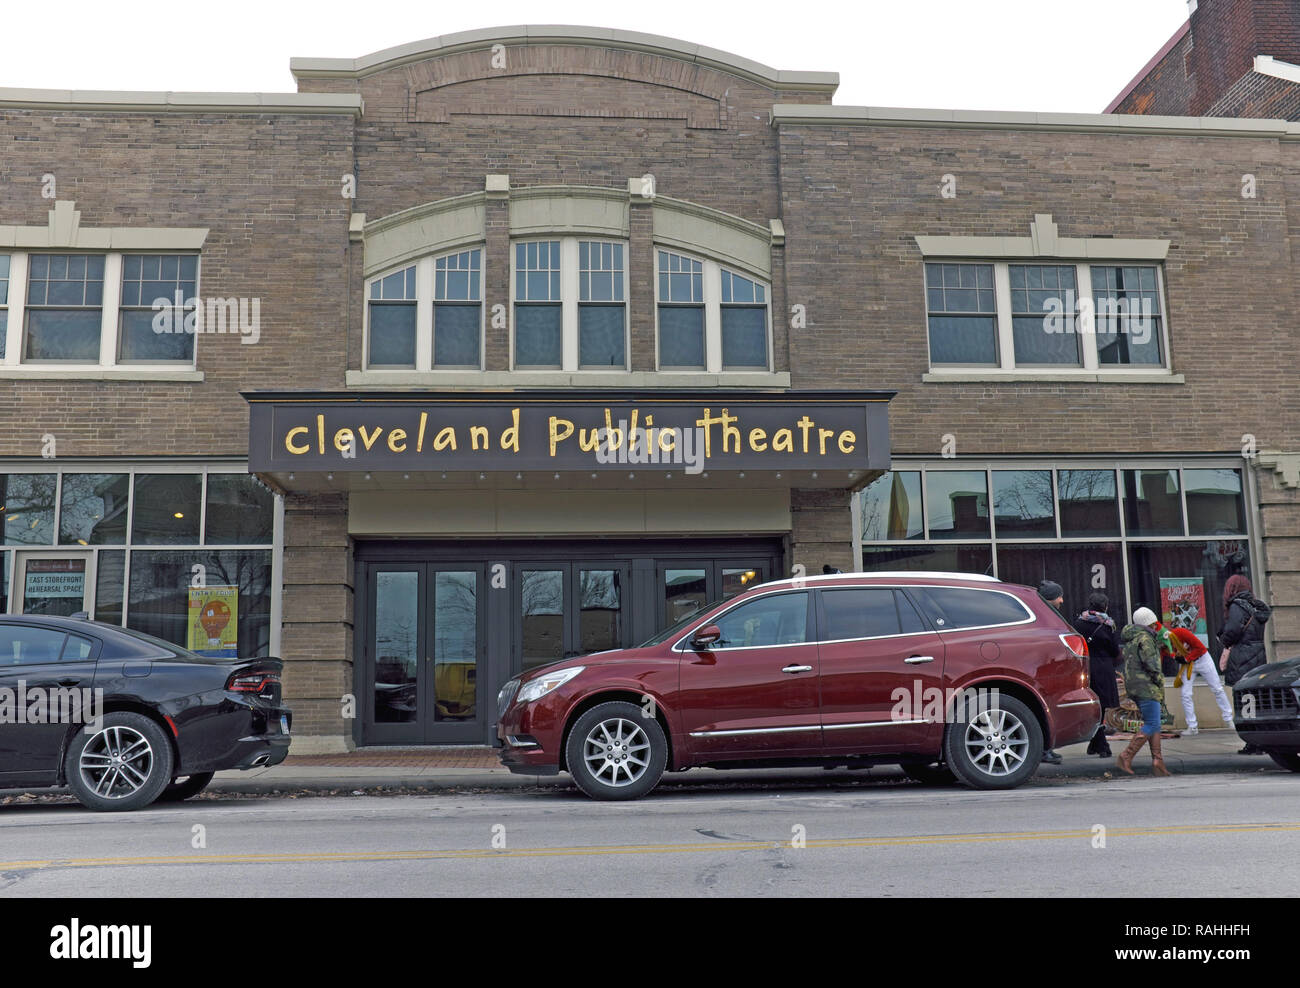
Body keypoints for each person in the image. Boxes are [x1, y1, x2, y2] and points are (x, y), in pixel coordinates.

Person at [1218, 574, 1271, 754]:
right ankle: (1259, 741)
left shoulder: (1237, 606)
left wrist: (1224, 639)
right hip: (1258, 655)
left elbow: (1232, 631)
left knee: (1245, 703)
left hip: (1242, 657)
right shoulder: (1256, 607)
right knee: (1255, 701)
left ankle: (1253, 743)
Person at [1116, 607, 1171, 776]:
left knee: (1154, 722)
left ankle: (1158, 761)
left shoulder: (1132, 638)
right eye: (1154, 623)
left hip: (1135, 685)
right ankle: (1126, 756)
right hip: (1146, 686)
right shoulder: (1145, 638)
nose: (1156, 626)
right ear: (1150, 623)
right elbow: (1152, 664)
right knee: (1153, 723)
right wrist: (1159, 680)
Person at [1158, 623, 1233, 736]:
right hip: (1187, 665)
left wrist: (1186, 658)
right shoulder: (1164, 648)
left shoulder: (1181, 632)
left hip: (1202, 659)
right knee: (1185, 694)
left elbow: (1200, 647)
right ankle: (1192, 726)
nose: (1166, 647)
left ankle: (1229, 720)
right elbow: (1162, 659)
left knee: (1217, 688)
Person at [1074, 591, 1120, 757]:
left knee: (1094, 706)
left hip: (1085, 667)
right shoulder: (1108, 624)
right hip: (1103, 667)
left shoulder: (1079, 622)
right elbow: (1115, 649)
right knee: (1101, 707)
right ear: (1105, 606)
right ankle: (1103, 746)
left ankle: (1094, 744)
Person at [1037, 580, 1066, 765]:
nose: (1062, 600)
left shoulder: (1046, 615)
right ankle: (1044, 749)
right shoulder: (1044, 618)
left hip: (1047, 671)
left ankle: (1047, 748)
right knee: (1045, 712)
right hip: (1044, 672)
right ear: (1049, 599)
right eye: (1058, 596)